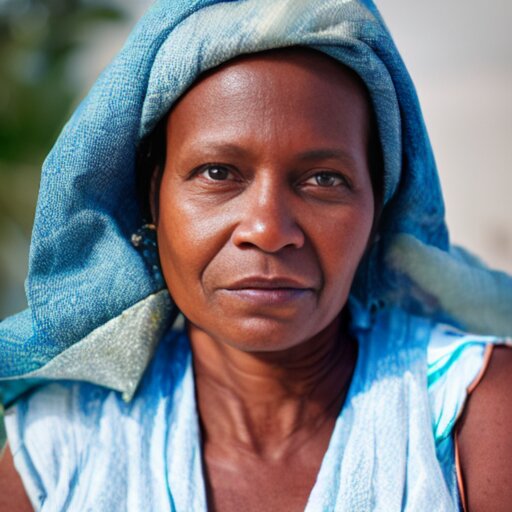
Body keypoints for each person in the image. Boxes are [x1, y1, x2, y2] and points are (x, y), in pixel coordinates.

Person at [0, 1, 511, 511]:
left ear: (378, 209)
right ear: (152, 201)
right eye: (218, 173)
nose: (268, 230)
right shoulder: (61, 443)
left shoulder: (473, 412)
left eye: (324, 180)